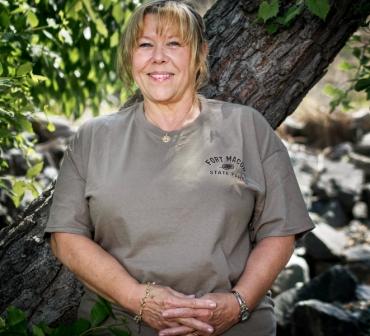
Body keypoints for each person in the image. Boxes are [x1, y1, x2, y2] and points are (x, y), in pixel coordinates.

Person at [45, 1, 315, 335]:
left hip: (236, 327)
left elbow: (280, 230)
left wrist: (237, 304)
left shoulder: (247, 128)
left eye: (174, 43)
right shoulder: (93, 137)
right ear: (131, 56)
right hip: (118, 327)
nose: (158, 56)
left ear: (200, 54)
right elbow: (65, 237)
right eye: (145, 44)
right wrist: (137, 299)